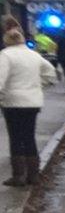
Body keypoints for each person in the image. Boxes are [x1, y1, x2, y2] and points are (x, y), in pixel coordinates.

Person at [0, 24, 57, 187]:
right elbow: (50, 71)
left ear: (6, 41)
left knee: (16, 137)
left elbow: (0, 79)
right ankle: (34, 175)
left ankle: (19, 176)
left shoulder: (5, 55)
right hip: (32, 102)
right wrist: (40, 85)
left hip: (13, 102)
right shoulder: (33, 55)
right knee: (29, 136)